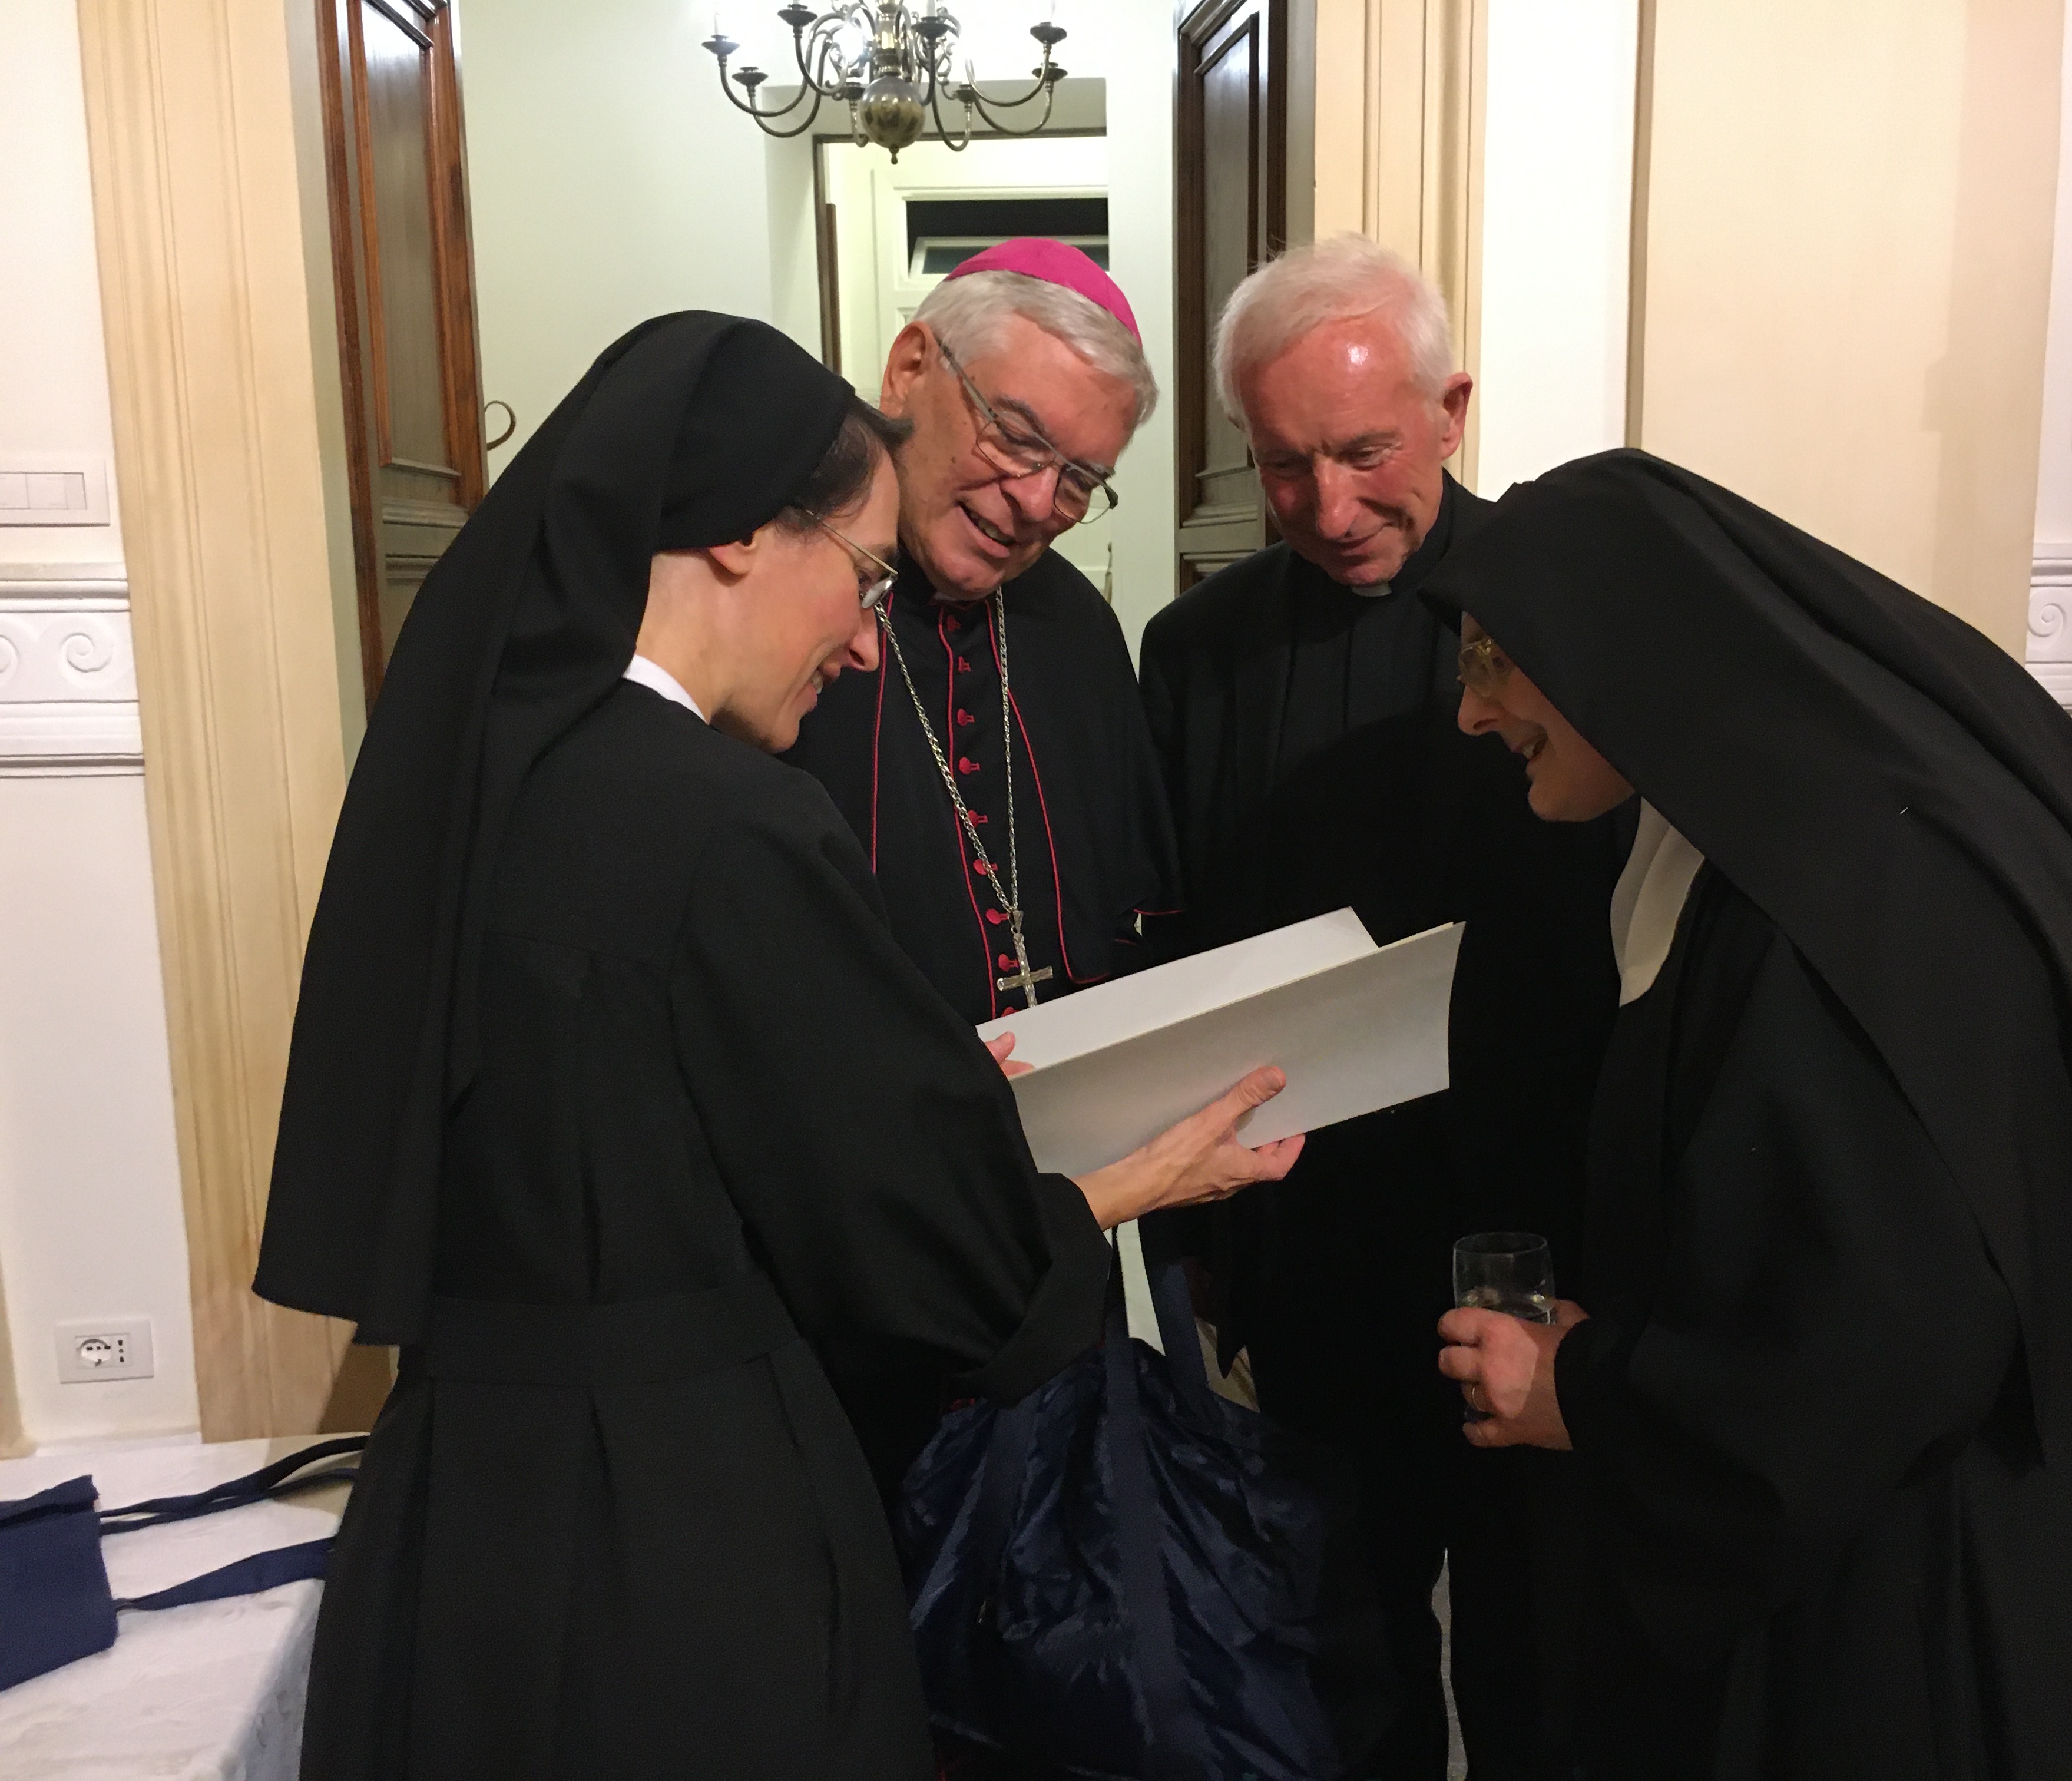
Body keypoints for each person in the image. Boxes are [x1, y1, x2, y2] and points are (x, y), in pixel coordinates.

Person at [253, 312, 1302, 1781]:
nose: (869, 641)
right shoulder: (728, 823)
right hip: (673, 1539)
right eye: (862, 577)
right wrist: (1127, 1186)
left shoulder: (489, 771)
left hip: (459, 1513)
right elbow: (940, 1263)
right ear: (745, 533)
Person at [1433, 448, 2072, 1779]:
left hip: (1956, 1598)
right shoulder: (1806, 820)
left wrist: (1586, 1392)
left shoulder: (1850, 899)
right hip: (1963, 1527)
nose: (1471, 713)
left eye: (1495, 661)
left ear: (1621, 642)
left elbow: (1872, 1337)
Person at [1137, 235, 1624, 1779]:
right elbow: (1183, 936)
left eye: (1365, 454)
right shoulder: (1196, 653)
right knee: (1343, 1654)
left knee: (1551, 1651)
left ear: (1451, 410)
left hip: (1547, 1234)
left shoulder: (1578, 609)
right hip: (1315, 1242)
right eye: (1285, 466)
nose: (1330, 508)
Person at [789, 240, 1176, 1028]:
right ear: (909, 368)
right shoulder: (782, 588)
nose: (1037, 503)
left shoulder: (1078, 628)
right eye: (1017, 437)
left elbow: (1129, 918)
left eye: (1080, 481)